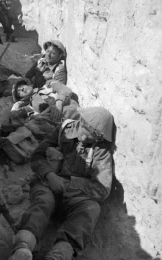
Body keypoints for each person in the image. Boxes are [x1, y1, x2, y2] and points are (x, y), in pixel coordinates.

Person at [8, 107, 115, 260]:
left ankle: (59, 255)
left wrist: (68, 183)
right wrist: (50, 175)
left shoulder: (101, 150)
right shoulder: (63, 130)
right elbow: (37, 157)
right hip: (48, 186)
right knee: (43, 202)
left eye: (92, 136)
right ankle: (23, 247)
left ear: (99, 137)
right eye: (84, 130)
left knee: (91, 209)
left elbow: (102, 188)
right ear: (81, 121)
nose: (84, 138)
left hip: (75, 197)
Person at [11, 78, 79, 123]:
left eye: (22, 86)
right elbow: (14, 114)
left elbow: (65, 90)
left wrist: (58, 104)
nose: (22, 89)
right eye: (19, 92)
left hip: (73, 112)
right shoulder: (30, 108)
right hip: (63, 127)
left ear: (29, 84)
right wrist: (18, 103)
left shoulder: (48, 84)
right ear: (22, 98)